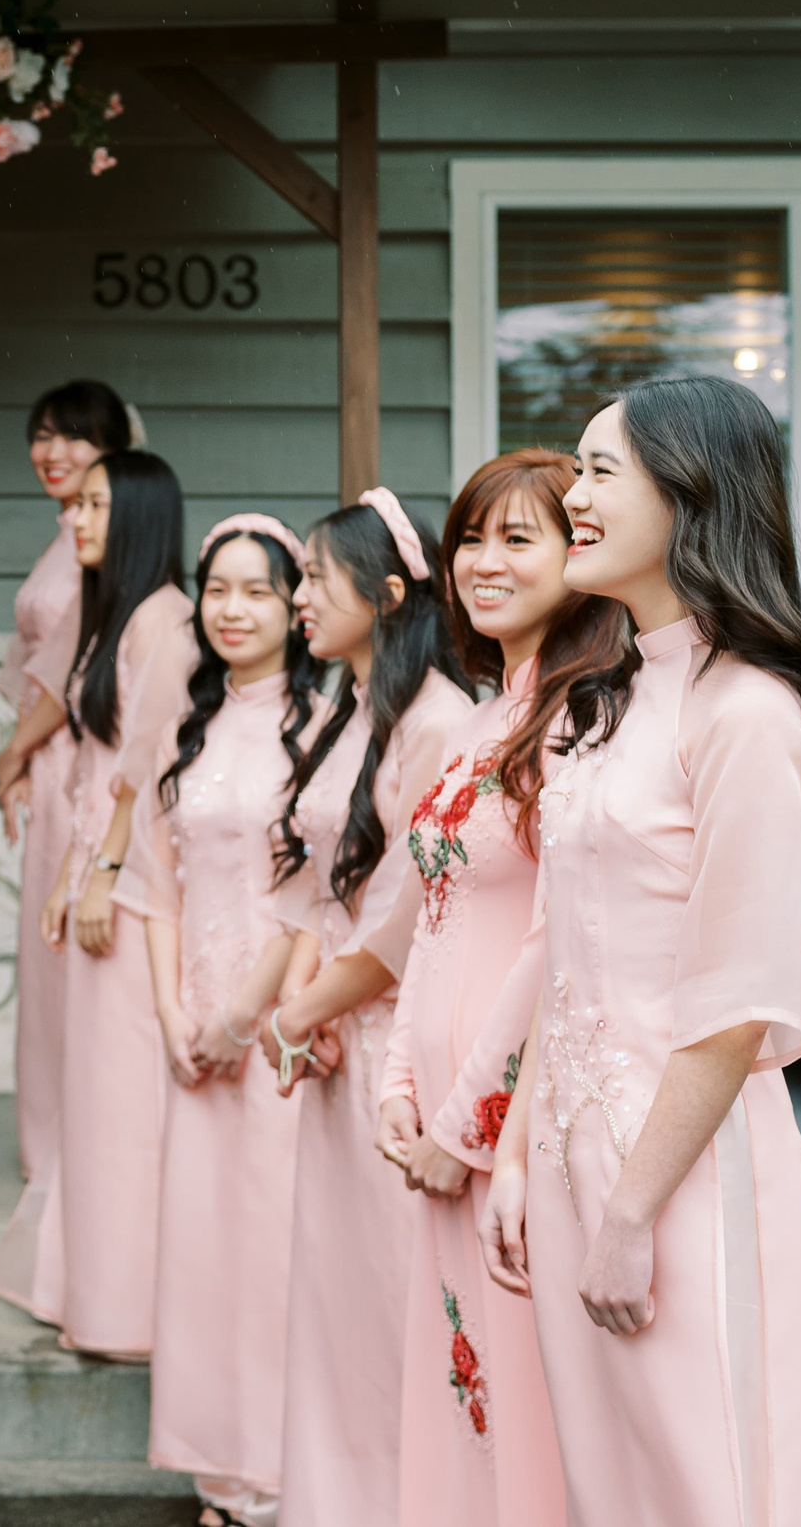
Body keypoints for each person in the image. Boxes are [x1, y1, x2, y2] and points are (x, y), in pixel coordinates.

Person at [480, 377, 801, 1527]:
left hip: (680, 1176)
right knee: (615, 1490)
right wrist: (516, 1154)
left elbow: (738, 1003)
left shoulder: (745, 716)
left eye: (603, 471)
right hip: (572, 1156)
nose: (576, 493)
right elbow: (566, 962)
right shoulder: (603, 699)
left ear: (690, 492)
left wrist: (628, 1213)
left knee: (720, 1482)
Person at [376, 453, 613, 1527]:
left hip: (511, 1121)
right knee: (455, 1377)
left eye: (519, 539)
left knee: (513, 1391)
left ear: (582, 554)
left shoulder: (581, 724)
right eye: (472, 537)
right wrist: (394, 1081)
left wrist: (466, 1126)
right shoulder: (487, 716)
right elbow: (434, 912)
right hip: (434, 1102)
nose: (483, 561)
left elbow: (553, 942)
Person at [245, 490, 474, 1527]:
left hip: (396, 1048)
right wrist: (302, 1003)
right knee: (335, 1301)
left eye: (314, 581)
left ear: (385, 595)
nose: (297, 599)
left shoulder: (437, 723)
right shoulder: (349, 709)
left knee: (390, 1300)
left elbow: (397, 923)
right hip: (342, 1032)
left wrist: (300, 1014)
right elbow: (316, 888)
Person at [127, 512, 321, 1523]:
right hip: (194, 1026)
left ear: (297, 603)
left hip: (285, 1024)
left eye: (257, 590)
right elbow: (153, 881)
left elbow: (328, 890)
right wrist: (170, 1012)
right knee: (205, 1248)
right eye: (217, 591)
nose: (233, 610)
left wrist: (248, 1014)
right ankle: (219, 1469)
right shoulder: (185, 727)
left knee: (275, 1248)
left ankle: (287, 1472)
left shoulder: (325, 723)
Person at [0, 451, 194, 1358]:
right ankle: (94, 1288)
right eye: (77, 505)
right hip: (96, 866)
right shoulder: (118, 615)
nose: (76, 518)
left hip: (133, 882)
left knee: (119, 1098)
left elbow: (143, 778)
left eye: (98, 505)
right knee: (95, 1094)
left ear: (141, 514)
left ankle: (128, 1306)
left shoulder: (165, 622)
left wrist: (102, 878)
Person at [0, 380, 132, 1186]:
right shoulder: (65, 535)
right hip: (49, 762)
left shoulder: (99, 543)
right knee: (43, 958)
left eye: (74, 438)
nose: (53, 452)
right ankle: (48, 1138)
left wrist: (10, 754)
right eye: (42, 435)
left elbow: (59, 672)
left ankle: (66, 1143)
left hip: (71, 758)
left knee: (61, 952)